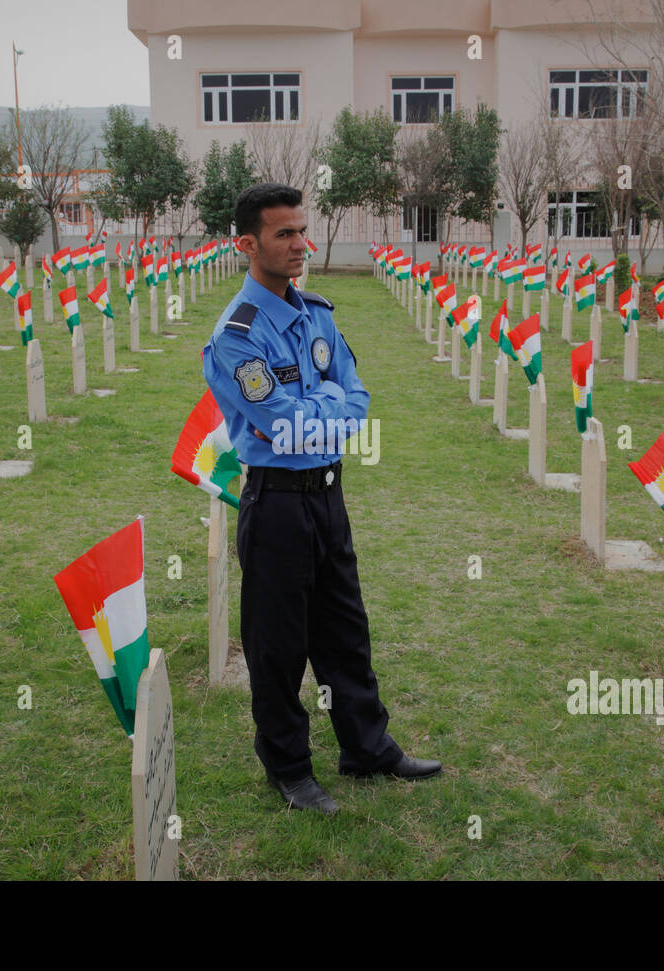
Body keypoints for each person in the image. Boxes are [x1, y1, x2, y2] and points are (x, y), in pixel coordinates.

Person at [202, 182, 442, 814]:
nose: (300, 244)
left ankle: (367, 747)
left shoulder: (319, 315)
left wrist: (324, 410)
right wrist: (324, 408)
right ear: (247, 244)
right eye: (284, 234)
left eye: (302, 230)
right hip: (276, 506)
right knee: (277, 647)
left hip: (329, 498)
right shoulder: (238, 334)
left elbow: (357, 402)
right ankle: (289, 768)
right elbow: (284, 425)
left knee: (345, 633)